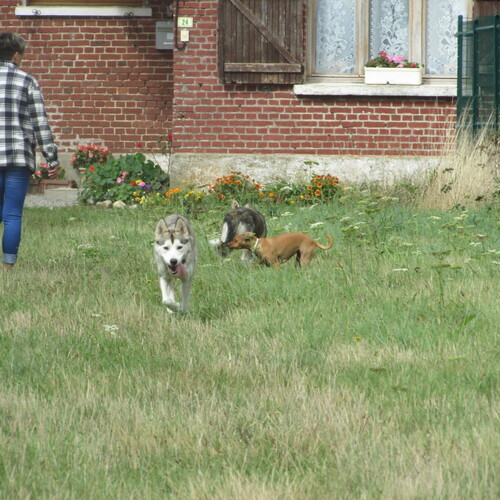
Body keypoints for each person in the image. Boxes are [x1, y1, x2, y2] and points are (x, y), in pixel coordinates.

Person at [0, 31, 61, 271]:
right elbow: (40, 124)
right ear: (16, 55)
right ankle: (8, 266)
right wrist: (51, 158)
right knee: (13, 214)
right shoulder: (27, 81)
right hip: (18, 157)